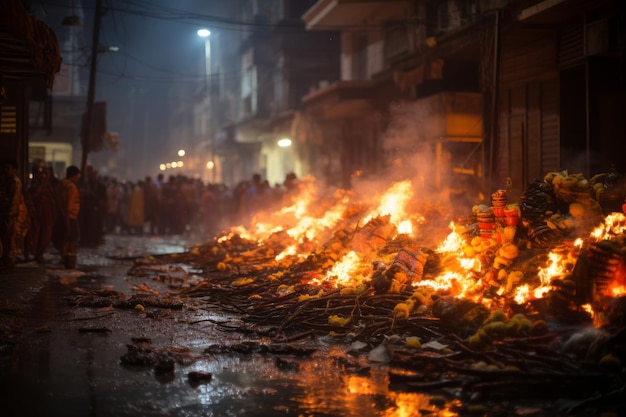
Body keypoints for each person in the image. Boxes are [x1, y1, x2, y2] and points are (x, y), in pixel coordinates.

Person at [0, 159, 29, 268]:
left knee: (10, 238)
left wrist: (10, 214)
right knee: (5, 237)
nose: (6, 170)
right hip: (5, 214)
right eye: (5, 168)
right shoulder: (5, 180)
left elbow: (14, 201)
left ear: (14, 170)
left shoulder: (16, 182)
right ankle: (6, 258)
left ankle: (9, 259)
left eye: (9, 168)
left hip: (11, 215)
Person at [27, 159, 57, 264]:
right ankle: (36, 254)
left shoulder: (49, 186)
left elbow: (53, 199)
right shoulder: (34, 185)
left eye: (44, 173)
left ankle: (40, 253)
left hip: (47, 213)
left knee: (46, 234)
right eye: (41, 173)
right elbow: (32, 196)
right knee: (36, 234)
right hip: (38, 213)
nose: (43, 175)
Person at [54, 165, 81, 269]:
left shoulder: (61, 185)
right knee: (71, 237)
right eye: (77, 176)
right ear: (73, 176)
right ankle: (68, 257)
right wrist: (68, 217)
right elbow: (69, 205)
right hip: (70, 216)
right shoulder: (71, 187)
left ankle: (64, 256)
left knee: (64, 237)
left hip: (60, 214)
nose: (78, 178)